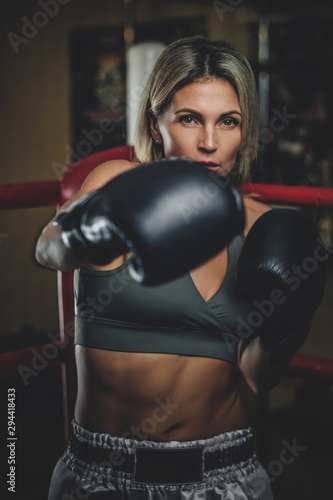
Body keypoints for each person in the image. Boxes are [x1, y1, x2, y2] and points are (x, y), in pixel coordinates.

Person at [35, 36, 326, 499]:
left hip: (224, 475)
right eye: (190, 119)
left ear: (245, 131)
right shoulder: (117, 183)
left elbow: (257, 375)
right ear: (156, 125)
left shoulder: (259, 226)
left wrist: (286, 323)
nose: (209, 143)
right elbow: (48, 248)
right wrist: (99, 226)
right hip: (103, 476)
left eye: (228, 122)